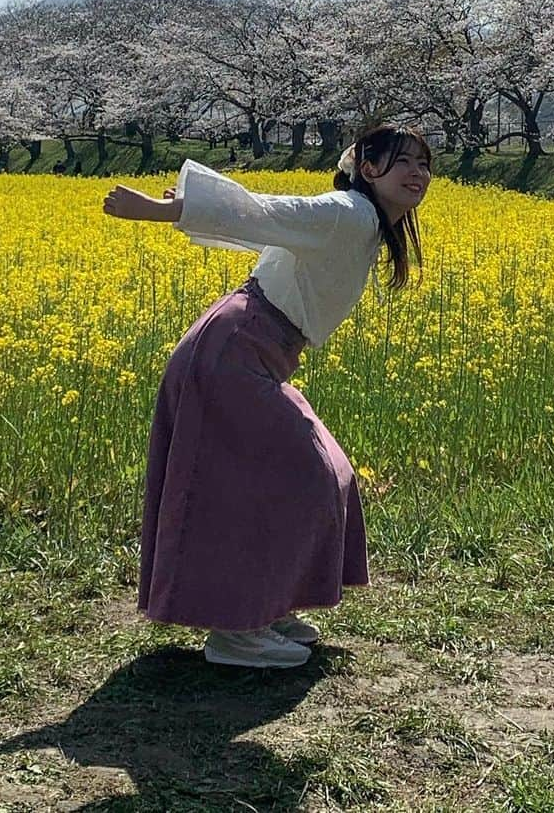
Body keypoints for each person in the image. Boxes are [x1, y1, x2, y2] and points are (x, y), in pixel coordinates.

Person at [102, 124, 432, 669]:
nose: (418, 172)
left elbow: (267, 231)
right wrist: (166, 212)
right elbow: (266, 212)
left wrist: (188, 208)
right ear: (368, 168)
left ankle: (265, 606)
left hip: (254, 349)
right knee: (299, 475)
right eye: (404, 162)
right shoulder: (349, 211)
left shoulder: (364, 223)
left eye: (424, 163)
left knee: (321, 473)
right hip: (234, 349)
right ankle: (237, 632)